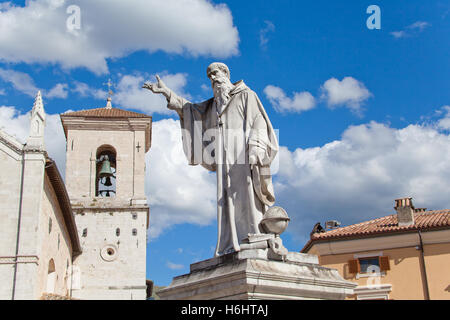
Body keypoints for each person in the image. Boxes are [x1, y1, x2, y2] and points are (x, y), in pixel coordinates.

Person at [143, 62, 278, 256]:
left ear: (226, 74)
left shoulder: (246, 95)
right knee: (227, 200)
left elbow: (259, 121)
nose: (213, 78)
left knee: (248, 194)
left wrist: (256, 148)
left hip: (244, 155)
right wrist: (167, 93)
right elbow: (189, 109)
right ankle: (233, 242)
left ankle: (254, 235)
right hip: (225, 160)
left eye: (215, 74)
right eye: (210, 76)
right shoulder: (213, 105)